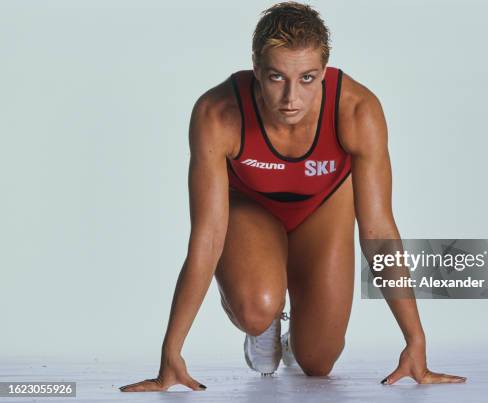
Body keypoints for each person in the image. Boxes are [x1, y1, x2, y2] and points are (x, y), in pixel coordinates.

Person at [120, 1, 466, 392]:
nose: (290, 98)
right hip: (249, 210)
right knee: (257, 306)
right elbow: (207, 237)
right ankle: (263, 323)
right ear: (255, 68)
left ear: (325, 70)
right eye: (275, 77)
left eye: (306, 78)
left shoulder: (357, 110)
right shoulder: (217, 113)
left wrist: (415, 339)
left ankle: (288, 339)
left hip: (324, 207)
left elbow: (379, 230)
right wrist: (171, 351)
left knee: (318, 361)